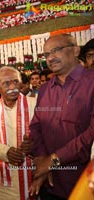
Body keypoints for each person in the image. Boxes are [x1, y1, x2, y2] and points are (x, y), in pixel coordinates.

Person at [29, 34, 94, 199]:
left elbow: (91, 135)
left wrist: (52, 161)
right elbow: (35, 127)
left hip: (83, 185)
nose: (50, 58)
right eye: (46, 54)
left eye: (56, 50)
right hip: (49, 184)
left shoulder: (91, 82)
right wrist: (42, 161)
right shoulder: (44, 90)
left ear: (76, 50)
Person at [0, 66, 36, 200]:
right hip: (2, 180)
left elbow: (48, 134)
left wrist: (35, 145)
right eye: (6, 83)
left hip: (33, 174)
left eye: (15, 81)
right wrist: (6, 152)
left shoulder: (35, 104)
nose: (12, 86)